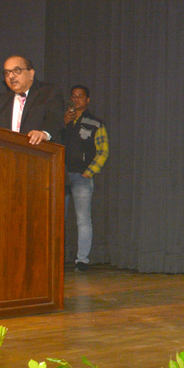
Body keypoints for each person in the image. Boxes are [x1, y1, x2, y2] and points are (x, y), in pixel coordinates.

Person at [63, 85, 109, 272]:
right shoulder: (62, 121)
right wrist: (63, 123)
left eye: (80, 96)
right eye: (73, 96)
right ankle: (55, 258)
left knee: (83, 220)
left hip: (81, 176)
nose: (76, 100)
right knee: (57, 220)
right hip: (61, 175)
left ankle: (82, 260)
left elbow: (103, 151)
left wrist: (89, 172)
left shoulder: (95, 123)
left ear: (87, 100)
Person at [0, 55, 65, 144]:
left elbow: (55, 118)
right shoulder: (2, 101)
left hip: (37, 149)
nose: (11, 76)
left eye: (16, 71)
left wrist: (44, 133)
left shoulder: (48, 93)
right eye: (7, 72)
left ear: (31, 74)